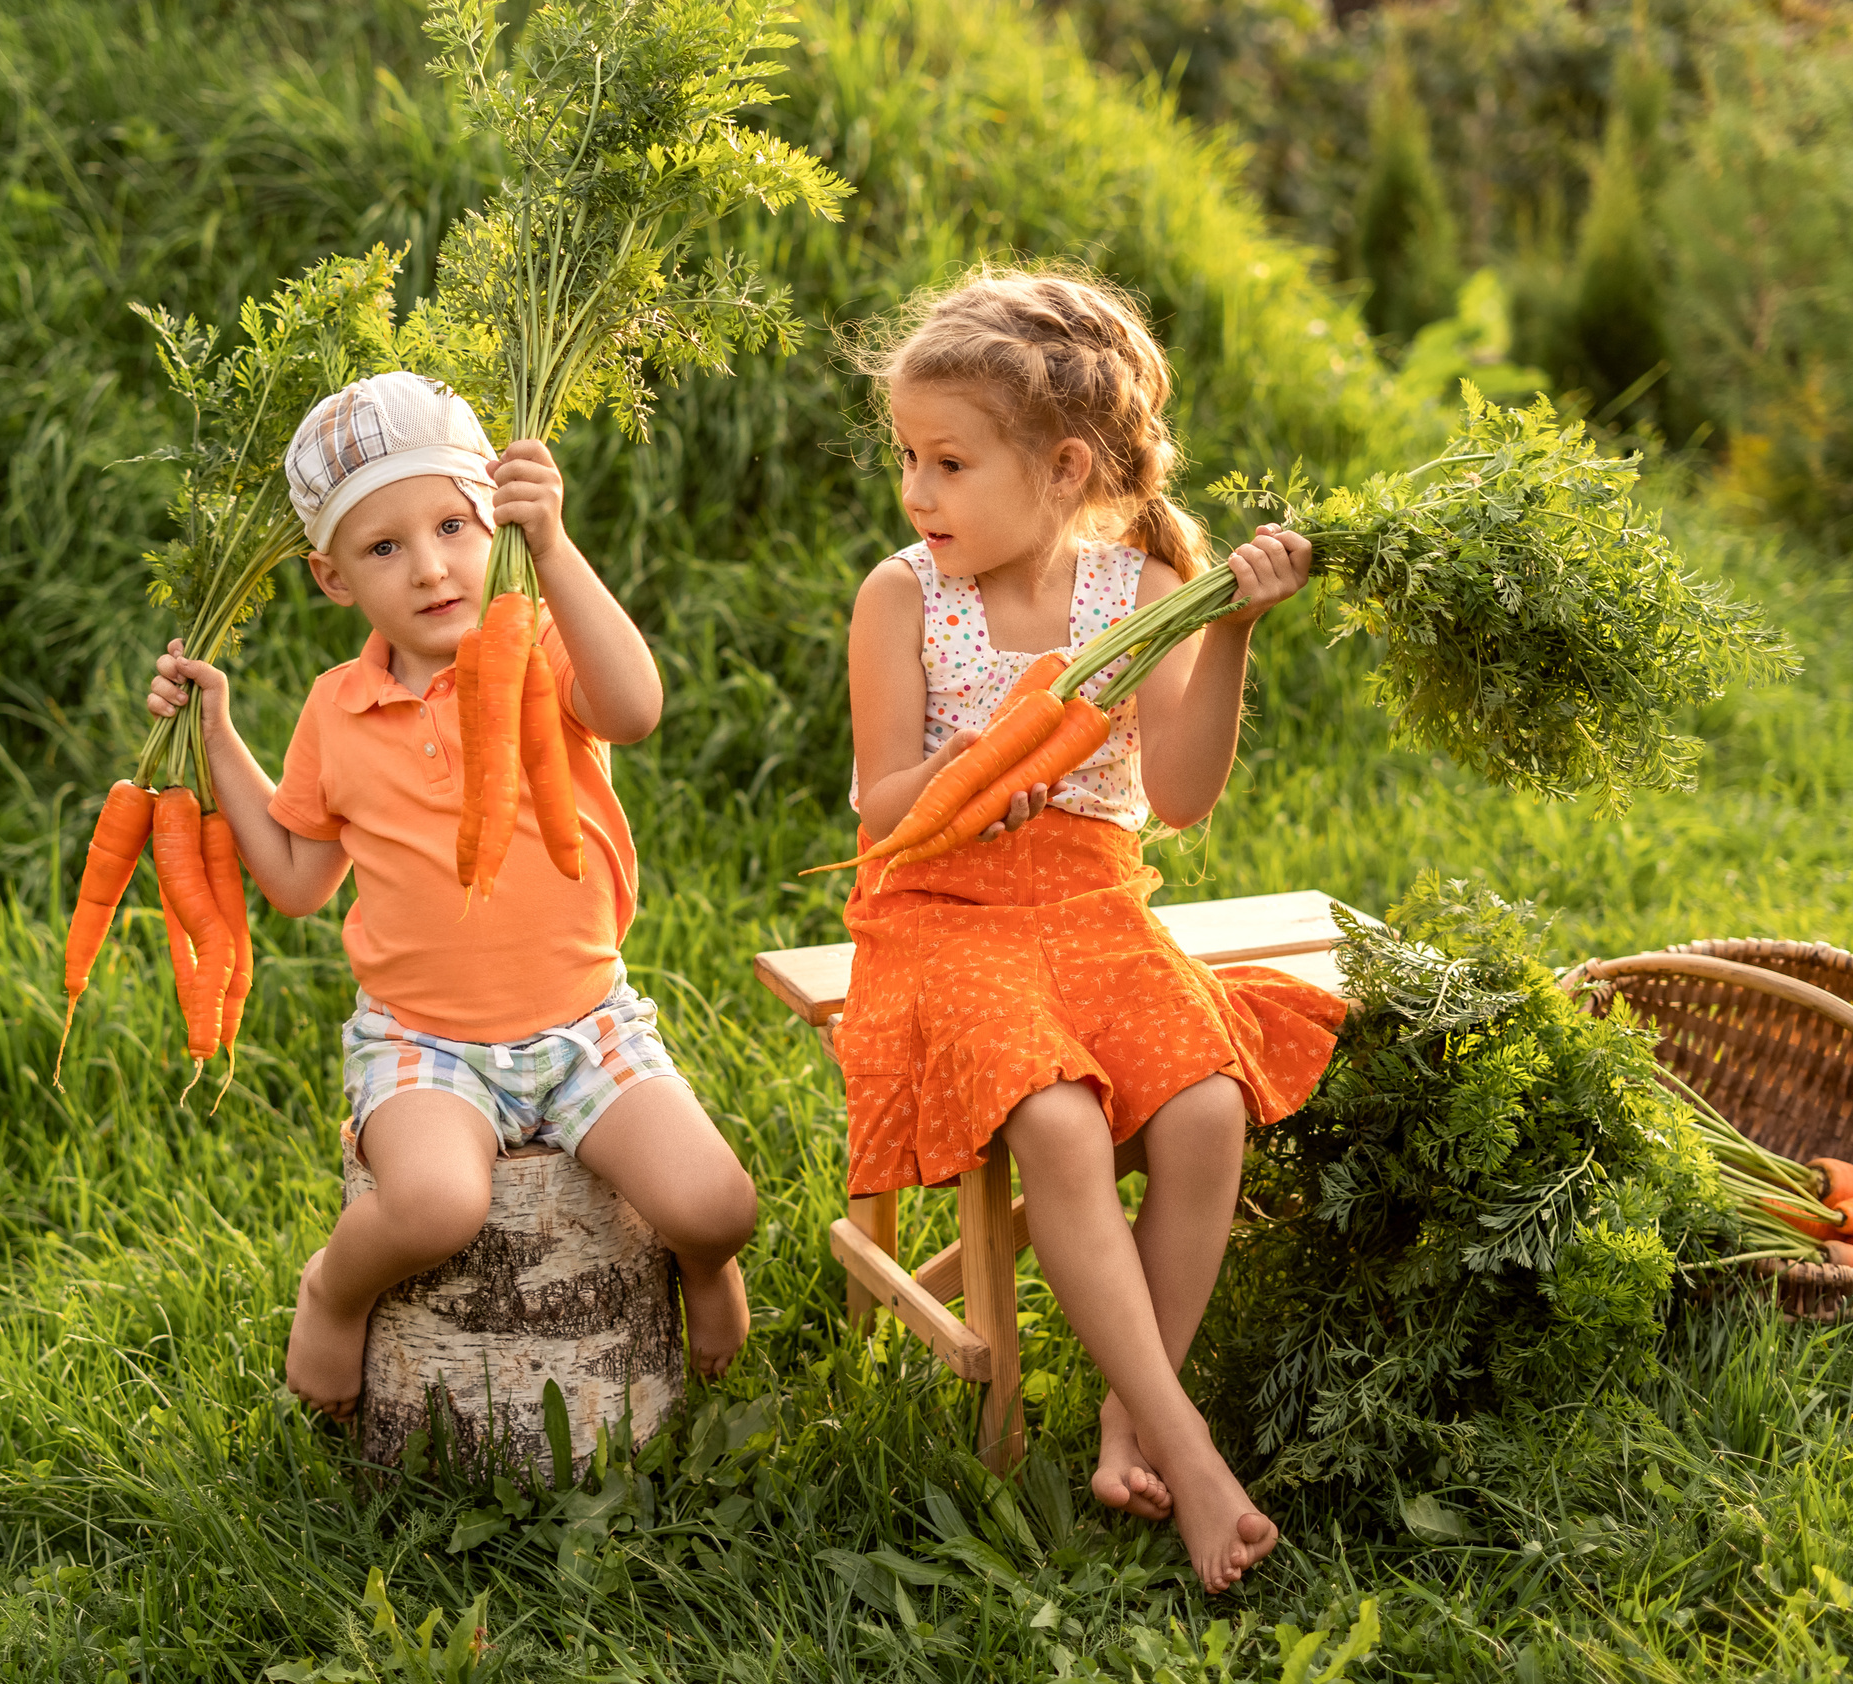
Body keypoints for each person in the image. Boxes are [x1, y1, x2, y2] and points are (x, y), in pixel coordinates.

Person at [836, 269, 1345, 1592]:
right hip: (940, 902)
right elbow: (884, 804)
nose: (916, 492)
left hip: (1094, 896)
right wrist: (1000, 755)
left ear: (1065, 469)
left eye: (948, 462)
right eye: (908, 458)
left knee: (1206, 1107)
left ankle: (1134, 1405)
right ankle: (1187, 1446)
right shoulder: (902, 598)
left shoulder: (1153, 579)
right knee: (1056, 1117)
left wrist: (1228, 631)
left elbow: (1175, 795)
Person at [145, 371, 758, 1420]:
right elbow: (295, 883)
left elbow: (637, 707)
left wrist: (554, 552)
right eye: (383, 548)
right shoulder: (337, 712)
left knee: (719, 1204)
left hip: (583, 1022)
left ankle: (694, 1269)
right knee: (432, 1205)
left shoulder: (540, 650)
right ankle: (332, 1293)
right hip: (424, 1041)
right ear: (332, 579)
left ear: (495, 523)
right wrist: (216, 736)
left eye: (452, 525)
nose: (429, 568)